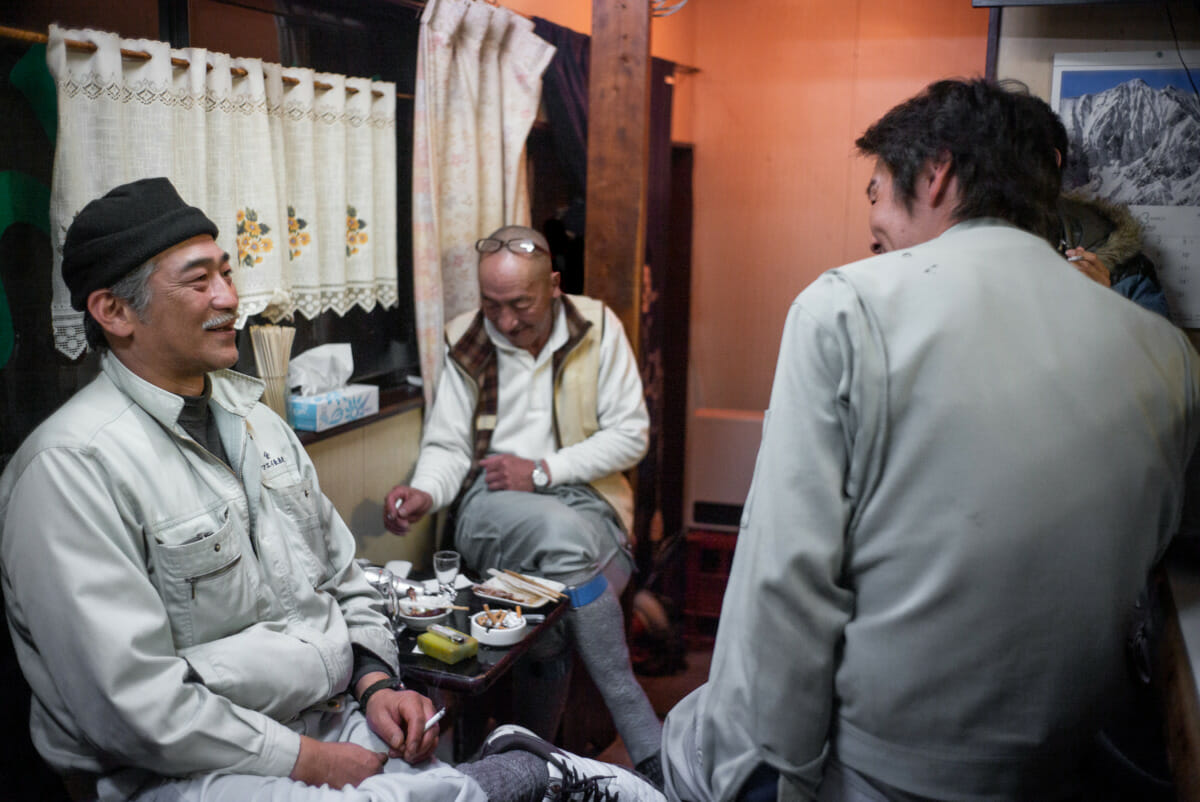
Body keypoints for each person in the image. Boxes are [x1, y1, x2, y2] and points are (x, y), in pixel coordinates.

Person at [0, 177, 664, 802]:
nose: (230, 297)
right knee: (435, 788)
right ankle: (534, 768)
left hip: (330, 716)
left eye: (226, 273)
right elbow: (133, 708)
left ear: (552, 287)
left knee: (432, 775)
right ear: (114, 311)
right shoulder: (69, 469)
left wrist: (375, 682)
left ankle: (532, 764)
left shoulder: (257, 422)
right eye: (198, 283)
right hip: (190, 767)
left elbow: (345, 577)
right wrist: (310, 762)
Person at [659, 79, 1200, 802]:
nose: (872, 228)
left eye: (876, 193)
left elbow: (785, 579)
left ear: (937, 173)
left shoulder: (845, 307)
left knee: (686, 733)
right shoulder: (1166, 355)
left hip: (883, 773)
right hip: (1057, 768)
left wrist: (762, 780)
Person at [384, 225, 663, 782]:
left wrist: (543, 470)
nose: (506, 322)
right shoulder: (467, 339)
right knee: (562, 539)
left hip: (589, 502)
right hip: (494, 502)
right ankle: (645, 739)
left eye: (521, 305)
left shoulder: (598, 328)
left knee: (553, 616)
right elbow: (447, 445)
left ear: (554, 286)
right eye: (492, 305)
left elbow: (632, 434)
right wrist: (426, 491)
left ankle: (532, 765)